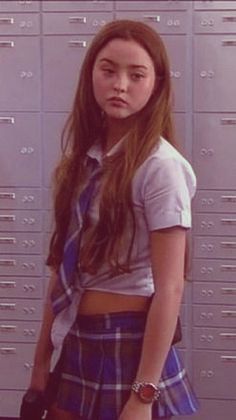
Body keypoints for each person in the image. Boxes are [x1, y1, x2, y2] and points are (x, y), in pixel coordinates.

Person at [29, 19, 199, 420]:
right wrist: (40, 364)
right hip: (77, 339)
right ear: (91, 74)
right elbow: (62, 270)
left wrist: (143, 395)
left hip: (129, 342)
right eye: (108, 70)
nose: (119, 84)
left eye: (136, 74)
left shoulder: (161, 167)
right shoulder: (85, 160)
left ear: (156, 84)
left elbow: (170, 289)